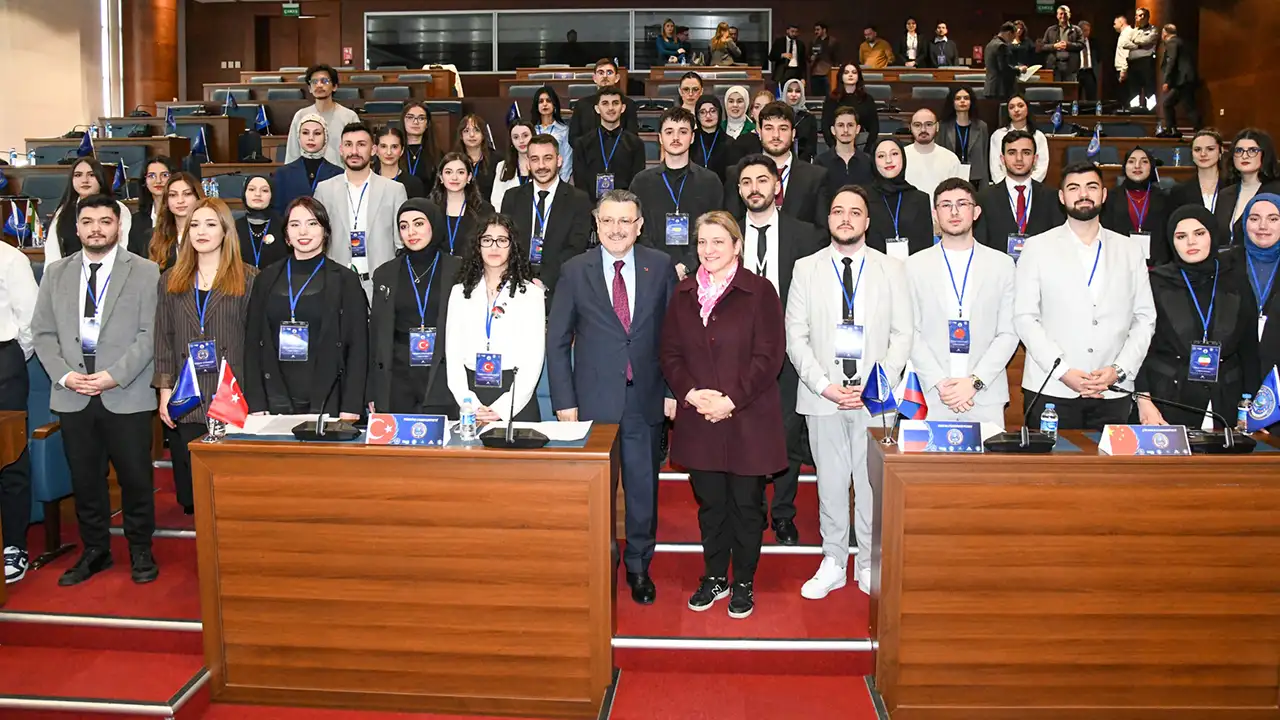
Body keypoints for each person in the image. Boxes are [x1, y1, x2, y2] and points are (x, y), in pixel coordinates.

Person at [547, 189, 679, 605]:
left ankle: (639, 567)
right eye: (608, 221)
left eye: (625, 221)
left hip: (645, 398)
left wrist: (672, 390)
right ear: (596, 224)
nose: (616, 229)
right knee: (597, 492)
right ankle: (601, 562)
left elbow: (675, 335)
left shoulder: (660, 266)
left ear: (639, 226)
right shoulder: (574, 270)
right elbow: (557, 341)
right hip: (592, 403)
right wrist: (564, 400)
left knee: (642, 489)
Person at [786, 185, 913, 599]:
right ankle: (835, 560)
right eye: (838, 211)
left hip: (875, 398)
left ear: (867, 221)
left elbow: (903, 334)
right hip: (823, 395)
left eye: (854, 212)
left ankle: (870, 561)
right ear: (828, 219)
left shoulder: (892, 269)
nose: (845, 218)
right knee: (831, 482)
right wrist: (824, 385)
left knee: (872, 483)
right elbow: (795, 336)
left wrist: (876, 385)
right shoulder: (806, 268)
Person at [659, 210, 786, 618]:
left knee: (746, 507)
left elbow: (769, 357)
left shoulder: (760, 291)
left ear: (737, 245)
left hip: (747, 419)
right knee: (711, 505)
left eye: (718, 241)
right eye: (702, 242)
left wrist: (730, 401)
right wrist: (692, 394)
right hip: (699, 419)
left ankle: (743, 581)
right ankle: (715, 576)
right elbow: (670, 353)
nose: (708, 249)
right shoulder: (683, 293)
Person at [32, 194, 161, 586]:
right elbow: (43, 333)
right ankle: (95, 550)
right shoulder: (56, 273)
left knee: (135, 478)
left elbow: (150, 334)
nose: (96, 229)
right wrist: (64, 376)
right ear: (76, 228)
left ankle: (140, 549)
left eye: (105, 221)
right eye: (88, 222)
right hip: (73, 393)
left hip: (126, 393)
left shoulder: (145, 271)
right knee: (85, 479)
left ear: (118, 227)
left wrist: (113, 376)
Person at [1013, 162, 1157, 430]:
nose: (1083, 194)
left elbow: (1145, 318)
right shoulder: (1036, 248)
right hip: (1052, 387)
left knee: (1108, 460)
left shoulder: (1129, 250)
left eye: (1091, 187)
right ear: (1061, 196)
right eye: (1073, 188)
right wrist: (1063, 371)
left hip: (1112, 389)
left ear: (1104, 194)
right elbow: (1025, 317)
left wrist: (1119, 370)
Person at [733, 155, 824, 545]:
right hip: (738, 353)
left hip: (790, 349)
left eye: (762, 180)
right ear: (739, 190)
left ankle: (784, 513)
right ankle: (752, 510)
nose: (754, 188)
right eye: (746, 182)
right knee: (745, 432)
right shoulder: (726, 234)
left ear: (777, 186)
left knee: (788, 432)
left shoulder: (805, 235)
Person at [154, 197, 255, 515]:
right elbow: (164, 340)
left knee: (234, 491)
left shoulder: (250, 278)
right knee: (195, 494)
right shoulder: (170, 279)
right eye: (194, 224)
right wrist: (164, 391)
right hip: (188, 397)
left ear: (225, 231)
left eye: (210, 224)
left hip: (233, 395)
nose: (201, 231)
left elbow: (257, 343)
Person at [906, 178, 1018, 426]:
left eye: (962, 204)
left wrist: (974, 383)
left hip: (985, 395)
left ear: (976, 212)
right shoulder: (913, 266)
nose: (954, 212)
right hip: (931, 394)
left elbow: (1009, 333)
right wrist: (940, 383)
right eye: (946, 205)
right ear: (935, 214)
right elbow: (910, 332)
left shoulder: (1002, 264)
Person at [243, 196, 367, 419]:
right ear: (286, 234)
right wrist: (256, 403)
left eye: (312, 223)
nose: (303, 231)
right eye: (295, 224)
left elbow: (358, 347)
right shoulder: (266, 278)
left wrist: (351, 406)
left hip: (329, 397)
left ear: (325, 231)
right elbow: (253, 343)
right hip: (274, 397)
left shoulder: (345, 280)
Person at [1137, 205, 1258, 429]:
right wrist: (1143, 399)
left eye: (1199, 233)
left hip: (1227, 401)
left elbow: (1249, 349)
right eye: (1181, 236)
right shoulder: (1156, 282)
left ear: (1212, 235)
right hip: (1167, 400)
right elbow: (1139, 346)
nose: (1191, 242)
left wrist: (1253, 406)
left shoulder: (1235, 281)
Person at [367, 198, 461, 417]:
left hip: (444, 375)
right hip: (399, 377)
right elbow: (376, 335)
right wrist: (371, 390)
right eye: (404, 226)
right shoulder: (385, 274)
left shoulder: (459, 269)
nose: (411, 232)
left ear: (434, 225)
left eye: (418, 223)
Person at [447, 212, 545, 422]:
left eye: (502, 240)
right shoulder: (459, 293)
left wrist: (502, 408)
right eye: (487, 240)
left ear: (512, 246)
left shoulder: (531, 294)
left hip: (516, 399)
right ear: (478, 246)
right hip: (470, 398)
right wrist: (469, 404)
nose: (494, 247)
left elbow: (534, 359)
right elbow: (452, 356)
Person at [314, 122, 409, 300]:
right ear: (341, 149)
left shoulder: (394, 190)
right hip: (337, 283)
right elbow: (319, 240)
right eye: (348, 144)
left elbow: (401, 243)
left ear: (373, 150)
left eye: (361, 144)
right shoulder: (324, 190)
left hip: (381, 285)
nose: (354, 151)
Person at [631, 107, 724, 281]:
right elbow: (637, 231)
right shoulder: (641, 182)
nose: (675, 138)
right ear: (660, 138)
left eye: (683, 132)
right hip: (652, 273)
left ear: (692, 137)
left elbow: (716, 229)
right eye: (669, 132)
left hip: (700, 273)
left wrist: (686, 266)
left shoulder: (710, 182)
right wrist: (662, 265)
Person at [499, 133, 593, 298]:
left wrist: (544, 280)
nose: (541, 166)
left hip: (560, 287)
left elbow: (576, 247)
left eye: (547, 158)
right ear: (528, 164)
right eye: (535, 159)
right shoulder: (512, 197)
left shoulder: (579, 200)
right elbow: (506, 242)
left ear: (559, 160)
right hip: (517, 285)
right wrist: (524, 280)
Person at [724, 102, 829, 231]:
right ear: (759, 132)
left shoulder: (815, 177)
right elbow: (731, 227)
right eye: (769, 128)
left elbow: (821, 231)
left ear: (793, 133)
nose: (776, 135)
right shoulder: (736, 174)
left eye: (783, 129)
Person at [0, 226, 38, 583]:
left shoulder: (11, 258)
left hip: (4, 362)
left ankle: (13, 544)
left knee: (10, 454)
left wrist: (10, 359)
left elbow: (30, 323)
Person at [975, 130, 1065, 257]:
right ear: (1002, 159)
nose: (1019, 158)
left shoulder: (1053, 198)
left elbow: (1058, 244)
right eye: (1012, 153)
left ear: (1035, 159)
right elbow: (980, 246)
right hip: (997, 267)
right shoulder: (983, 198)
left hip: (1041, 267)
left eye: (1026, 152)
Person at [46, 158, 132, 265]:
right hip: (70, 272)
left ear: (100, 178)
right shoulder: (63, 211)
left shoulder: (118, 208)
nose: (84, 180)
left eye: (91, 175)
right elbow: (52, 252)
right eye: (78, 175)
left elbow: (124, 246)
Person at [573, 86, 647, 202]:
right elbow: (580, 183)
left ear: (623, 108)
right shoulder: (582, 144)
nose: (611, 108)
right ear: (597, 109)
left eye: (615, 103)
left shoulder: (636, 144)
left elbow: (636, 182)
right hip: (590, 207)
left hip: (624, 207)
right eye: (605, 103)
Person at [1101, 146, 1170, 266]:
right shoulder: (1110, 198)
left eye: (1144, 162)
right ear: (1124, 167)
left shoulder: (1165, 198)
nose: (1137, 166)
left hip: (1157, 266)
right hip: (1119, 263)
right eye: (1131, 161)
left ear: (1151, 167)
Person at [1241, 194, 1280, 405]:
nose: (1263, 226)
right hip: (1234, 377)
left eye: (1273, 219)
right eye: (1254, 218)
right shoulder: (1224, 263)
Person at [867, 139, 933, 260]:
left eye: (894, 154)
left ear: (903, 158)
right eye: (881, 156)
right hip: (873, 267)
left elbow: (926, 248)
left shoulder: (921, 199)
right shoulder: (862, 199)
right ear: (873, 161)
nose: (888, 160)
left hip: (913, 268)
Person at [1215, 128, 1280, 249]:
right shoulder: (1225, 194)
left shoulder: (1276, 192)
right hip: (1227, 259)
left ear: (1264, 154)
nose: (1244, 156)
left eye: (1252, 150)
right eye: (1239, 151)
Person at [285, 64, 359, 165]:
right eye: (314, 82)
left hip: (341, 172)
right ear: (310, 88)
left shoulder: (349, 116)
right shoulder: (301, 115)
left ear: (334, 86)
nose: (319, 85)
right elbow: (292, 153)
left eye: (324, 81)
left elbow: (357, 151)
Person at [272, 113, 342, 215]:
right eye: (305, 133)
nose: (311, 138)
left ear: (326, 137)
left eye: (317, 133)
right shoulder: (282, 174)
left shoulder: (339, 173)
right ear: (298, 136)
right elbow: (278, 214)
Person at [430, 152, 493, 257]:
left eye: (460, 172)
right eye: (448, 172)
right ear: (441, 177)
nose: (454, 177)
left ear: (469, 177)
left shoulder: (484, 209)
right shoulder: (429, 208)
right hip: (438, 265)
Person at [568, 59, 640, 140]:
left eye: (609, 72)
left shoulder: (628, 104)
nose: (605, 76)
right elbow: (573, 138)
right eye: (601, 73)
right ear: (594, 78)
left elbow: (632, 137)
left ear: (617, 78)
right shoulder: (581, 105)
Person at [148, 172, 203, 271]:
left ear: (197, 197)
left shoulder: (210, 233)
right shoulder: (151, 237)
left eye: (187, 194)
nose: (180, 201)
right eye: (173, 195)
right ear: (166, 201)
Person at [989, 94, 1049, 184]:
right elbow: (995, 168)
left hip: (1031, 186)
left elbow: (1041, 167)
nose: (1016, 110)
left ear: (1027, 108)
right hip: (1004, 187)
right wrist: (1006, 186)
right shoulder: (998, 135)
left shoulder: (1038, 136)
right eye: (1011, 107)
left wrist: (1026, 185)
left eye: (1020, 106)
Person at [904, 108, 964, 198]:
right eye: (917, 125)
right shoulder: (900, 157)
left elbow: (958, 194)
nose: (923, 129)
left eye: (928, 124)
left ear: (937, 127)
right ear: (910, 128)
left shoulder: (950, 159)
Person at [937, 87, 990, 189]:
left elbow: (984, 158)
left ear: (971, 102)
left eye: (966, 98)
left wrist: (985, 186)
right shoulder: (943, 126)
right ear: (952, 102)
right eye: (958, 98)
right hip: (949, 177)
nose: (962, 101)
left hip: (975, 179)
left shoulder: (982, 126)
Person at [822, 63, 879, 155]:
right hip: (836, 145)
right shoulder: (831, 99)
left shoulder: (867, 99)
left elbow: (874, 127)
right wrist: (835, 148)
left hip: (863, 146)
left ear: (858, 76)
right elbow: (826, 126)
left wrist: (867, 150)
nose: (850, 75)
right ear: (841, 76)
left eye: (854, 72)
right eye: (846, 72)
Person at [233, 174, 288, 270]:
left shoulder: (284, 227)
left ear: (272, 195)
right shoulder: (233, 227)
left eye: (264, 190)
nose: (258, 194)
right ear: (244, 194)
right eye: (251, 189)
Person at [815, 106, 874, 195]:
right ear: (833, 130)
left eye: (850, 125)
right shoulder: (820, 162)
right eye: (840, 125)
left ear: (857, 129)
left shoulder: (868, 161)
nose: (846, 130)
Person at [127, 155, 179, 257]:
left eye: (164, 175)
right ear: (144, 182)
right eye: (151, 176)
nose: (158, 181)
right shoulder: (137, 220)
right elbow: (133, 257)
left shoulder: (181, 215)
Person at [1168, 128, 1226, 212]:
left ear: (1221, 151)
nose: (1203, 154)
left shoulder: (1234, 186)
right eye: (1197, 149)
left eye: (1210, 149)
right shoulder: (1179, 191)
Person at [1160, 24, 1200, 135]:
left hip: (1182, 80)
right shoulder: (1181, 42)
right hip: (1187, 79)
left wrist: (1166, 81)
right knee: (1188, 106)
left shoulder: (1172, 42)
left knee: (1170, 104)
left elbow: (1171, 61)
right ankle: (1173, 129)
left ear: (1165, 33)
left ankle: (1172, 129)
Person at [531, 86, 574, 183]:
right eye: (541, 101)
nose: (544, 104)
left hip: (558, 181)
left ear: (554, 105)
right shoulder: (531, 130)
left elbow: (567, 161)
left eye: (548, 101)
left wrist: (560, 185)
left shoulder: (564, 130)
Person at [490, 120, 535, 210]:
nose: (521, 141)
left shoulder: (542, 165)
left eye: (525, 136)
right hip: (509, 216)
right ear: (511, 141)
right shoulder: (502, 166)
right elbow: (496, 200)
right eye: (516, 137)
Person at [373, 126, 426, 199]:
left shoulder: (414, 183)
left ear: (402, 150)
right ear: (376, 150)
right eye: (383, 146)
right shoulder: (369, 181)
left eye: (394, 147)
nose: (389, 152)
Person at [455, 113, 497, 201]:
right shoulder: (454, 160)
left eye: (476, 130)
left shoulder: (497, 160)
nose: (471, 135)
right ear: (461, 136)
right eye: (466, 131)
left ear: (483, 134)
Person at [401, 101, 441, 191]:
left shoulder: (437, 154)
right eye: (410, 117)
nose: (415, 122)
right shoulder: (395, 151)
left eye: (421, 118)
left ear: (427, 124)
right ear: (403, 121)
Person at [691, 95, 732, 181]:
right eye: (703, 112)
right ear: (697, 116)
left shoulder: (730, 142)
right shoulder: (690, 139)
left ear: (719, 113)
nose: (708, 116)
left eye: (712, 111)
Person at [1128, 8, 1160, 112]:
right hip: (1133, 62)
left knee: (1149, 86)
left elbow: (1148, 40)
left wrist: (1135, 42)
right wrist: (1139, 44)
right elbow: (1126, 43)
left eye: (1139, 15)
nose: (1137, 17)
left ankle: (1151, 110)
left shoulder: (1153, 29)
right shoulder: (1133, 31)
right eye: (1136, 15)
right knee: (1134, 88)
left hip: (1146, 61)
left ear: (1145, 16)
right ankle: (1134, 109)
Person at [1041, 5, 1084, 82]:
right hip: (1054, 66)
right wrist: (1054, 46)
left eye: (1065, 13)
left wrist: (1068, 45)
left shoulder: (1077, 30)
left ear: (1069, 15)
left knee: (1070, 89)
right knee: (1055, 89)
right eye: (1061, 14)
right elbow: (1043, 46)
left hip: (1071, 67)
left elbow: (1081, 45)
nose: (1063, 16)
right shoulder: (1050, 30)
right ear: (1057, 16)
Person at [781, 78, 819, 163]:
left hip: (803, 162)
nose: (793, 95)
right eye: (790, 91)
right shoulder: (779, 115)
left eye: (798, 91)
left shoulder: (809, 117)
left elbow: (812, 147)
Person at [985, 23, 1020, 104]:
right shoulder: (1001, 46)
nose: (1012, 41)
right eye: (1013, 37)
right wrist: (1019, 70)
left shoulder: (990, 44)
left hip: (990, 88)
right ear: (1009, 33)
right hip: (1000, 89)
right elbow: (1004, 68)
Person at [1114, 14, 1137, 111]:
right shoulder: (1123, 34)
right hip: (1121, 68)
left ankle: (1129, 113)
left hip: (1125, 69)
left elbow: (1127, 53)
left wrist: (1124, 69)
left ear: (1121, 22)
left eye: (1115, 23)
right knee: (1123, 95)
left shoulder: (1128, 33)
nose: (1114, 26)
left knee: (1127, 95)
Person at [809, 22, 838, 97]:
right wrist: (811, 58)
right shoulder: (813, 41)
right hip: (815, 73)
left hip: (828, 73)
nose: (816, 32)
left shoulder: (832, 42)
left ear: (824, 30)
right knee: (816, 96)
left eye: (818, 29)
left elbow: (837, 58)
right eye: (815, 30)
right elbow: (808, 55)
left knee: (829, 95)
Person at [1077, 21, 1099, 102]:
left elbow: (1098, 57)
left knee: (1091, 96)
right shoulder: (1074, 42)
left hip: (1090, 72)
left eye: (1089, 30)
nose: (1087, 33)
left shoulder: (1094, 42)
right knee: (1076, 96)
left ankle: (1091, 109)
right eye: (1085, 30)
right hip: (1077, 72)